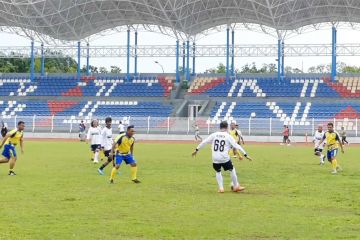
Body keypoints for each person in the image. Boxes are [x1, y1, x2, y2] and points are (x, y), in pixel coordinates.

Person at [191, 121, 253, 193]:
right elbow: (237, 145)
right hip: (224, 158)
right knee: (232, 169)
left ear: (220, 127)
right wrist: (245, 155)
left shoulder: (214, 134)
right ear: (227, 127)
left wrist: (196, 150)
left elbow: (204, 142)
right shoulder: (228, 136)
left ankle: (221, 188)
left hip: (215, 158)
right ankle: (236, 186)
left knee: (218, 171)